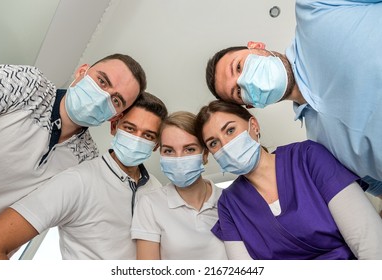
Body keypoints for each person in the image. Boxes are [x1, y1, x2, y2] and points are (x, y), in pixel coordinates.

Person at [205, 0, 382, 198]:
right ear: (251, 104)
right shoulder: (321, 149)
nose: (245, 80)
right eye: (238, 91)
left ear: (256, 46)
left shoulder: (316, 9)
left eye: (238, 67)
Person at [195, 100, 382, 260]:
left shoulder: (308, 157)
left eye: (230, 130)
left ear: (254, 126)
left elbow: (369, 242)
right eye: (213, 143)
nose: (225, 145)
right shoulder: (229, 204)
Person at [0, 92, 168, 260]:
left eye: (148, 135)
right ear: (114, 126)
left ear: (156, 144)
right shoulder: (77, 181)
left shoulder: (157, 189)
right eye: (130, 128)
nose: (137, 140)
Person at [0, 53, 147, 219]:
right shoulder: (27, 84)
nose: (102, 97)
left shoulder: (86, 160)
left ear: (114, 117)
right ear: (81, 72)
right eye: (102, 81)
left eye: (116, 101)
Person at [131, 111, 228, 260]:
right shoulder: (149, 204)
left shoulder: (229, 200)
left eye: (189, 149)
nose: (179, 159)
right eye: (169, 151)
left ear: (205, 154)